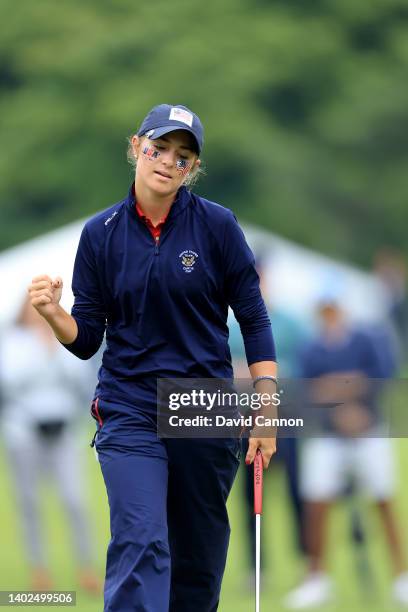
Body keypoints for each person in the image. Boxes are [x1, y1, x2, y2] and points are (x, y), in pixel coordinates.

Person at [28, 103, 278, 612]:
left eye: (182, 157)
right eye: (158, 148)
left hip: (201, 407)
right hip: (130, 407)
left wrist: (266, 409)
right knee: (141, 538)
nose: (167, 161)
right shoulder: (101, 233)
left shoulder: (217, 227)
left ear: (192, 170)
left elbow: (254, 319)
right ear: (135, 147)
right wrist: (55, 313)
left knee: (197, 562)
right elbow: (86, 339)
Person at [283, 298, 408, 609]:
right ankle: (316, 578)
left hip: (368, 430)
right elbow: (309, 390)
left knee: (383, 499)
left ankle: (401, 576)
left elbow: (379, 377)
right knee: (316, 504)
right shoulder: (311, 348)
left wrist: (339, 392)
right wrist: (345, 394)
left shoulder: (366, 339)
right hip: (327, 435)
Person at [0, 294, 101, 593]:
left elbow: (80, 376)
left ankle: (87, 568)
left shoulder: (65, 335)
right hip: (24, 430)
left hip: (64, 429)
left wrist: (54, 349)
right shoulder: (12, 341)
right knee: (29, 503)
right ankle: (39, 570)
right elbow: (10, 379)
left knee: (75, 501)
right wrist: (40, 354)